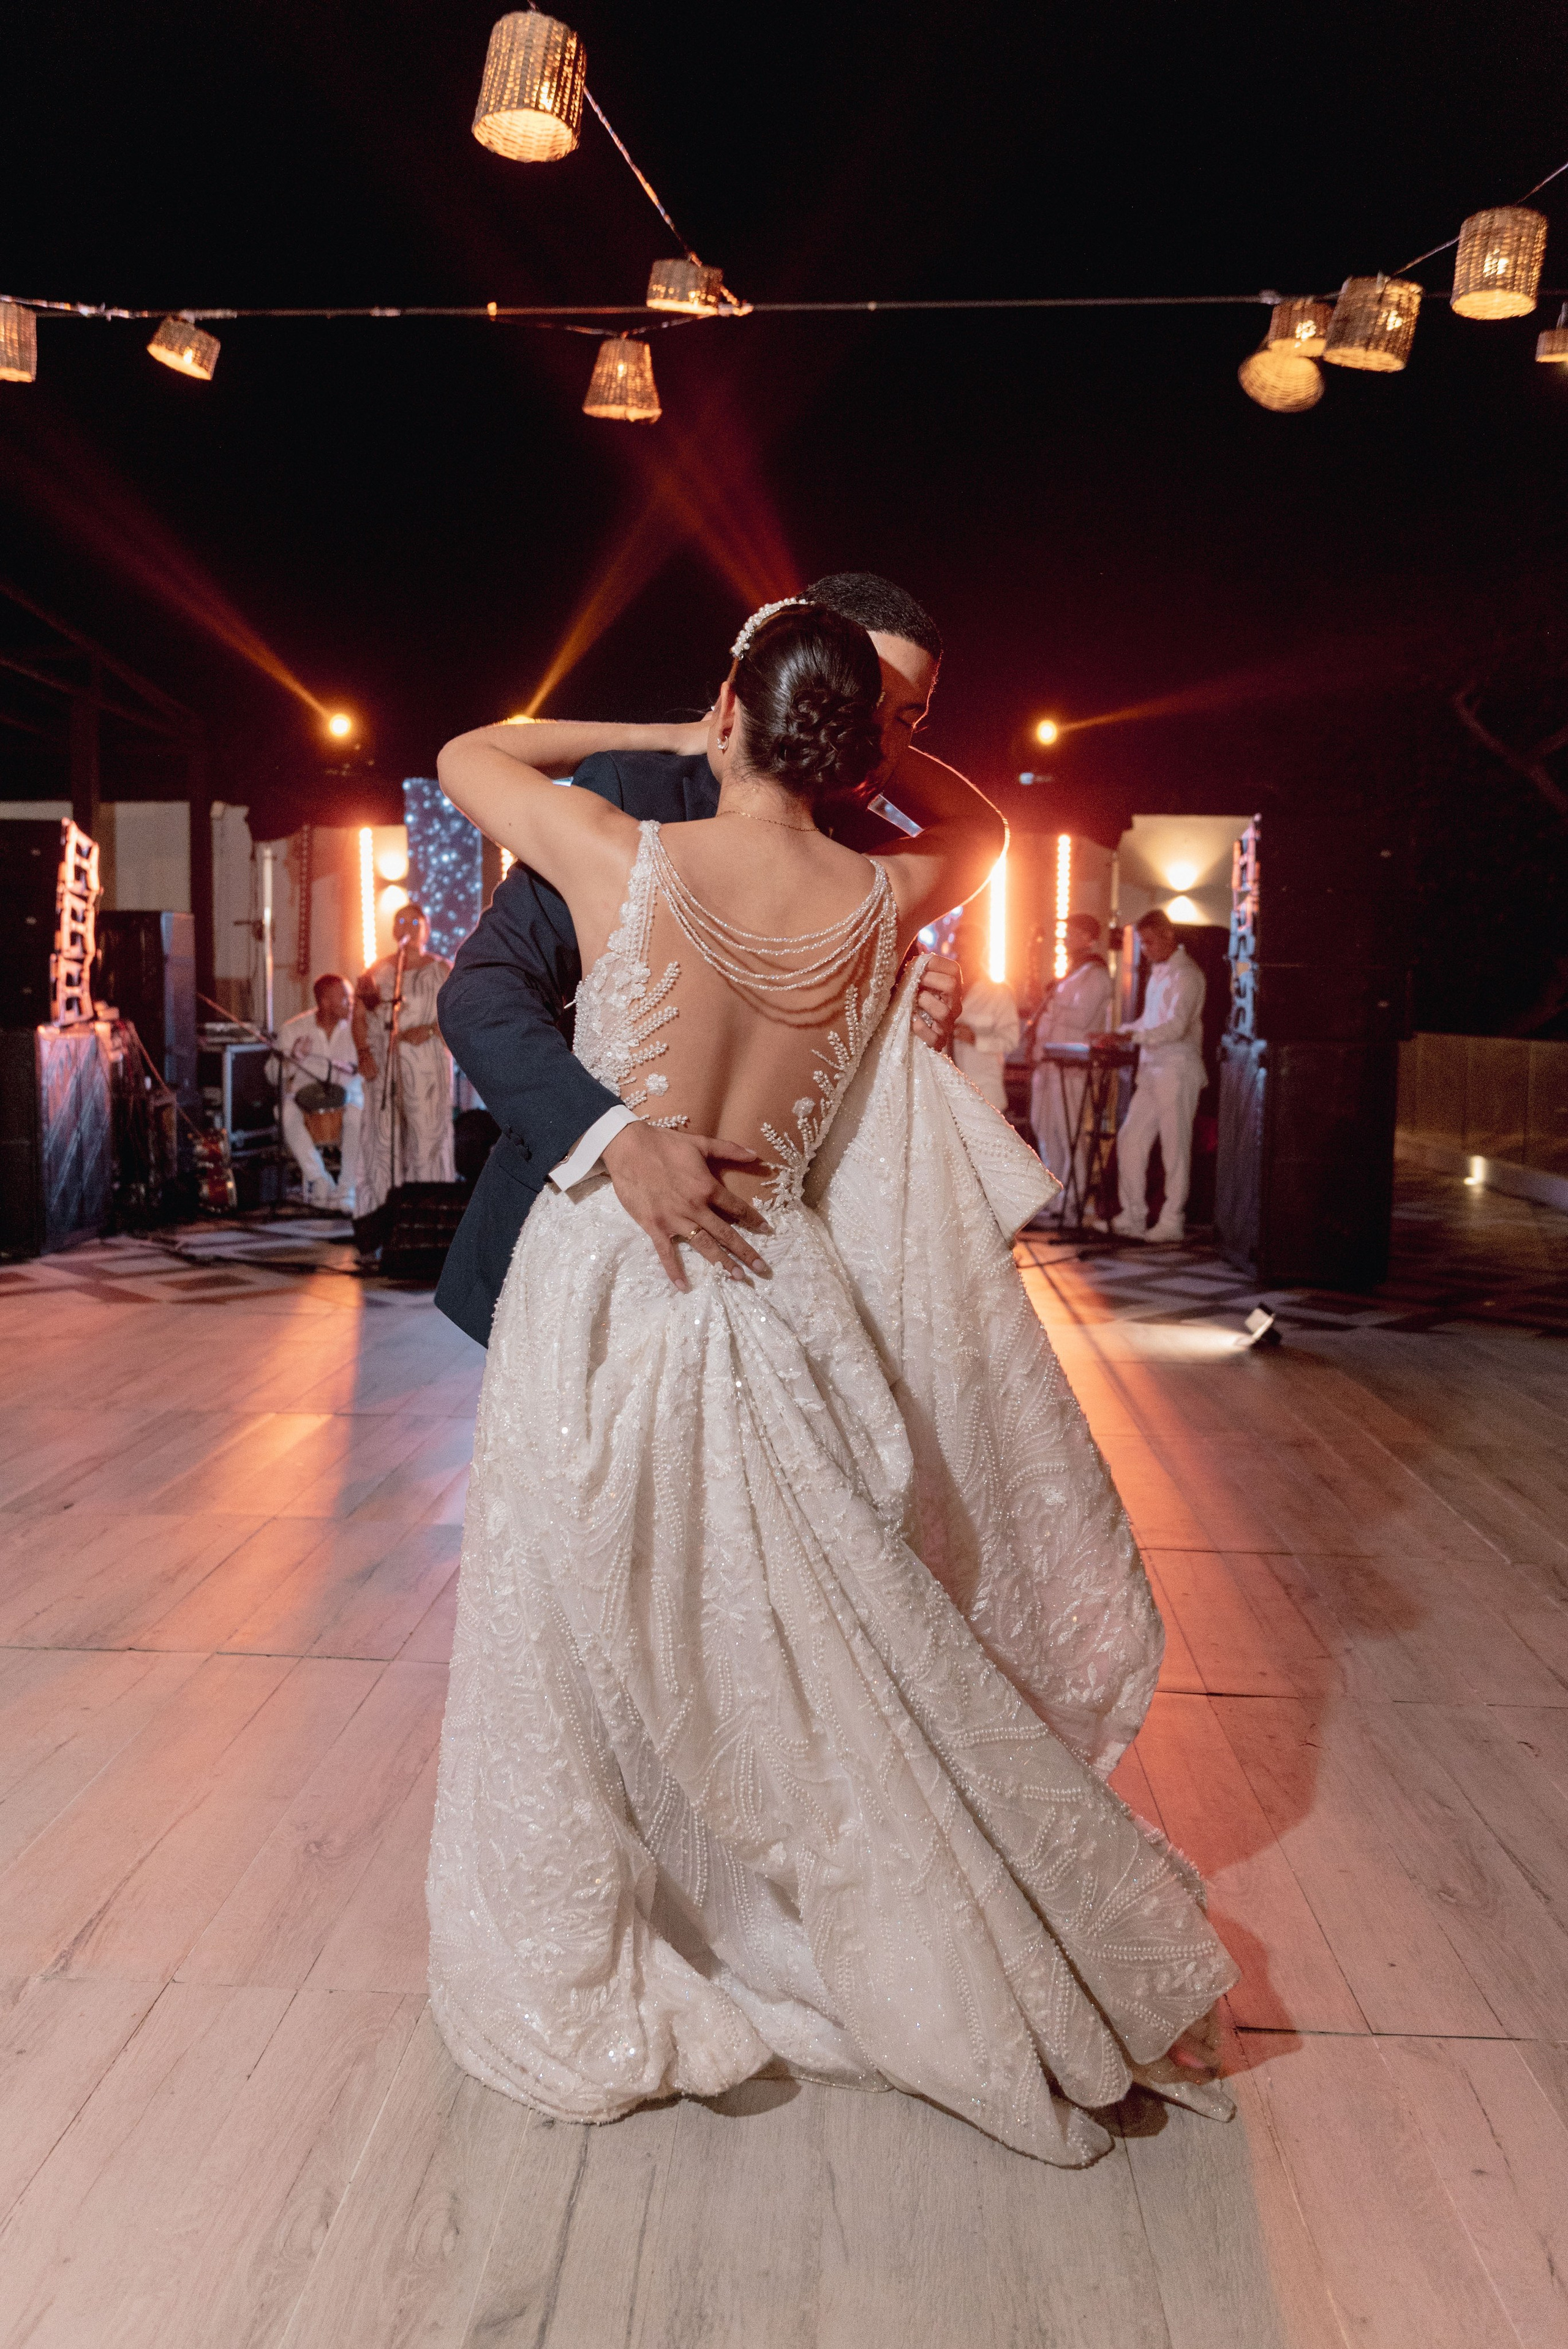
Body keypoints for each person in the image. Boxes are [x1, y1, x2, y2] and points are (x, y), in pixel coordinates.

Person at [425, 601, 1236, 2170]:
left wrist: (682, 734)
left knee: (568, 1612)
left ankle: (666, 1924)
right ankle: (897, 1923)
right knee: (819, 1628)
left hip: (604, 1277)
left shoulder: (612, 849)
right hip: (776, 1273)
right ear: (863, 742)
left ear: (732, 700)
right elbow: (984, 819)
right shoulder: (889, 895)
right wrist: (865, 753)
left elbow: (465, 747)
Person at [433, 573, 962, 1347]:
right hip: (590, 1239)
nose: (876, 734)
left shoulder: (880, 854)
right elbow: (484, 993)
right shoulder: (624, 795)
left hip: (792, 1270)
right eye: (860, 694)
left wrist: (906, 1013)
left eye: (905, 716)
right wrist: (609, 1135)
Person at [1095, 907, 1207, 1243]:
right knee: (1130, 1140)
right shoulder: (1160, 973)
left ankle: (1172, 1219)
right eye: (1142, 944)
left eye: (1150, 942)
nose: (1145, 950)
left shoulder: (1187, 975)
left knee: (1175, 1147)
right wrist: (1122, 1032)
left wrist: (1130, 1036)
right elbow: (1148, 1021)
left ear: (1169, 936)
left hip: (1178, 1068)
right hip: (1154, 1069)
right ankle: (1133, 1216)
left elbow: (1176, 1027)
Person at [352, 900, 456, 1244]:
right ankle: (379, 1222)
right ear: (394, 930)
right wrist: (364, 1052)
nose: (407, 926)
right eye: (401, 921)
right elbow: (360, 1017)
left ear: (427, 929)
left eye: (415, 921)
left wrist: (428, 1030)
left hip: (426, 1065)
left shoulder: (442, 970)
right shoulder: (378, 971)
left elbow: (460, 1016)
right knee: (382, 1141)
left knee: (427, 1140)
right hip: (385, 1067)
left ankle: (429, 1225)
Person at [1030, 914, 1112, 1201]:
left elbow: (1083, 1018)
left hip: (1073, 1066)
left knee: (1068, 1131)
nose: (1068, 939)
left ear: (1091, 939)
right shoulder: (1072, 973)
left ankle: (1074, 1196)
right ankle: (1054, 1195)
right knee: (1045, 1128)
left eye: (1076, 934)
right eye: (1068, 933)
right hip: (1051, 1063)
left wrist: (1055, 1000)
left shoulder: (1096, 974)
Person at [277, 972, 362, 1211]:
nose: (351, 1003)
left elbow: (370, 1067)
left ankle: (347, 1187)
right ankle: (320, 1180)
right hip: (306, 1098)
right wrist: (293, 1057)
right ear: (325, 1003)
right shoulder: (294, 1029)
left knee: (357, 1113)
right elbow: (272, 1074)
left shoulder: (358, 1028)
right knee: (286, 1112)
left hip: (349, 1097)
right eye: (345, 998)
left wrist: (354, 1068)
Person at [949, 910, 1020, 1114]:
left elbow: (1011, 1040)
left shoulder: (998, 992)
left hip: (985, 1093)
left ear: (980, 949)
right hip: (948, 1093)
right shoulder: (944, 989)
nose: (961, 952)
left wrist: (976, 1038)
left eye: (967, 947)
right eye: (958, 946)